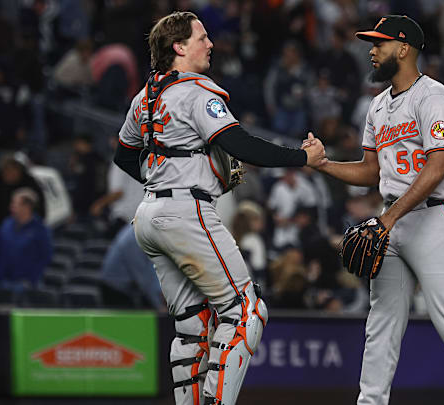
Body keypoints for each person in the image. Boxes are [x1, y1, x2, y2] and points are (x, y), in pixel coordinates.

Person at [304, 15, 444, 405]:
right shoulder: (377, 107)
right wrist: (323, 165)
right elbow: (371, 170)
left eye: (379, 44)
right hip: (394, 220)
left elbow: (437, 167)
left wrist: (388, 218)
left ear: (403, 48)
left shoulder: (433, 97)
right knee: (381, 324)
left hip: (437, 217)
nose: (371, 51)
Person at [112, 11, 324, 405]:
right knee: (246, 311)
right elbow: (242, 145)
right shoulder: (197, 92)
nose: (210, 44)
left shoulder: (145, 97)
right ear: (179, 47)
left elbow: (124, 156)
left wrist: (163, 174)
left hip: (149, 215)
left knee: (194, 326)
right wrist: (302, 158)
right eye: (202, 38)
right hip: (185, 212)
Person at [0, 188, 52, 291]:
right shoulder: (6, 224)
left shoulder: (40, 229)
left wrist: (31, 280)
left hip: (29, 285)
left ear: (27, 207)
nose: (11, 207)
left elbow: (45, 257)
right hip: (5, 283)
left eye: (15, 204)